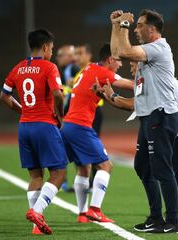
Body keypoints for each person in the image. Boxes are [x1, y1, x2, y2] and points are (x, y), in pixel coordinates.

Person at [93, 61, 178, 225]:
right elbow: (136, 105)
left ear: (143, 65)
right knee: (172, 170)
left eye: (133, 64)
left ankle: (170, 217)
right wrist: (108, 97)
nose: (130, 68)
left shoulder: (154, 79)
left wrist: (112, 96)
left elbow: (133, 104)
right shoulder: (149, 78)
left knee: (165, 171)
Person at [110, 9, 178, 233]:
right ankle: (156, 217)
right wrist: (115, 25)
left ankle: (173, 221)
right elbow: (117, 52)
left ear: (152, 29)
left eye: (139, 26)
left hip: (161, 115)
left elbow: (125, 50)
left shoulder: (159, 48)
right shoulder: (149, 50)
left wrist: (123, 26)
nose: (136, 29)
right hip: (149, 116)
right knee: (143, 167)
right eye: (135, 25)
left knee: (162, 168)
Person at [0, 29, 68, 235]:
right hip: (44, 126)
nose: (52, 53)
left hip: (25, 127)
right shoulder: (49, 67)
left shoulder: (18, 67)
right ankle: (37, 212)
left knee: (35, 176)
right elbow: (57, 94)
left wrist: (23, 110)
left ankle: (35, 225)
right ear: (46, 47)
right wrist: (60, 115)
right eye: (52, 48)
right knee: (59, 173)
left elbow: (3, 96)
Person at [60, 43, 134, 223]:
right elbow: (131, 85)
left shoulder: (89, 69)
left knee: (83, 169)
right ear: (110, 59)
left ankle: (82, 214)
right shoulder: (102, 72)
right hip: (80, 126)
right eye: (118, 60)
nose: (120, 64)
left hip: (68, 125)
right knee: (105, 166)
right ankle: (95, 209)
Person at [55, 45, 80, 114]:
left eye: (60, 55)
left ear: (69, 56)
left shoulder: (73, 69)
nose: (57, 58)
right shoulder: (66, 70)